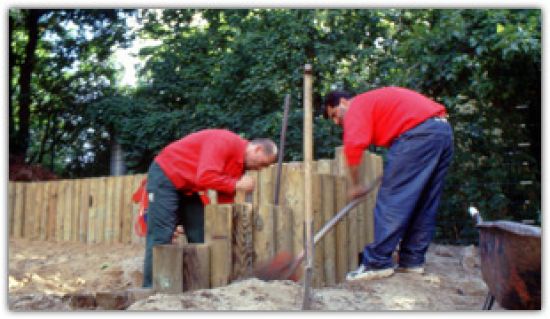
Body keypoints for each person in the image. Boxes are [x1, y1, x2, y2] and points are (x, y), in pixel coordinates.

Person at [323, 86, 454, 281]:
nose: (336, 121)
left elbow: (352, 148)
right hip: (442, 132)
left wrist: (356, 184)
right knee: (425, 202)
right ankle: (412, 261)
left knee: (392, 200)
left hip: (417, 135)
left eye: (334, 115)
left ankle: (377, 263)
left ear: (343, 102)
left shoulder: (356, 106)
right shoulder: (372, 103)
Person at [142, 128, 277, 288]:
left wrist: (232, 227)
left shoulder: (240, 164)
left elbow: (225, 199)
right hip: (166, 175)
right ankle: (151, 289)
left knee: (200, 234)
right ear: (257, 149)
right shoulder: (223, 141)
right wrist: (236, 184)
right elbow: (206, 177)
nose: (260, 169)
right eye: (262, 164)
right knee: (161, 236)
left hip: (188, 187)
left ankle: (196, 284)